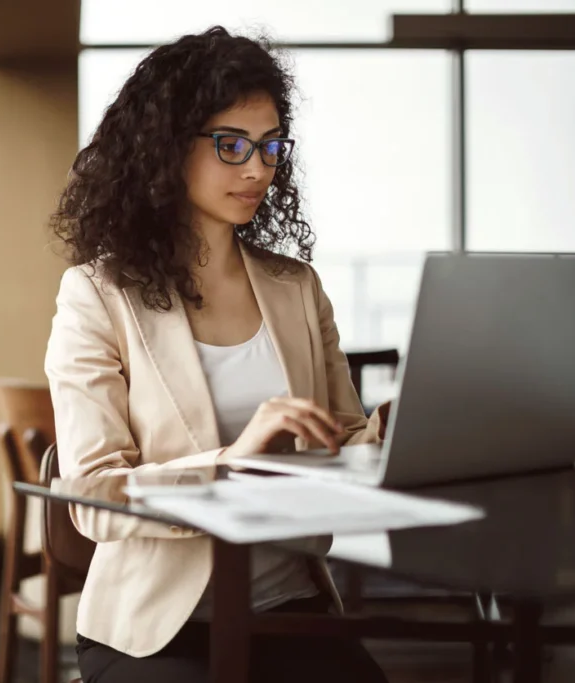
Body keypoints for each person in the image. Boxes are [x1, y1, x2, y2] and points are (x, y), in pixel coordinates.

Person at [44, 27, 390, 683]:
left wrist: (391, 431)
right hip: (159, 627)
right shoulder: (97, 296)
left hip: (290, 604)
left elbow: (342, 438)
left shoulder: (296, 288)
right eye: (231, 145)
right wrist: (233, 459)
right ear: (165, 148)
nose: (257, 168)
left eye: (269, 147)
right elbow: (91, 496)